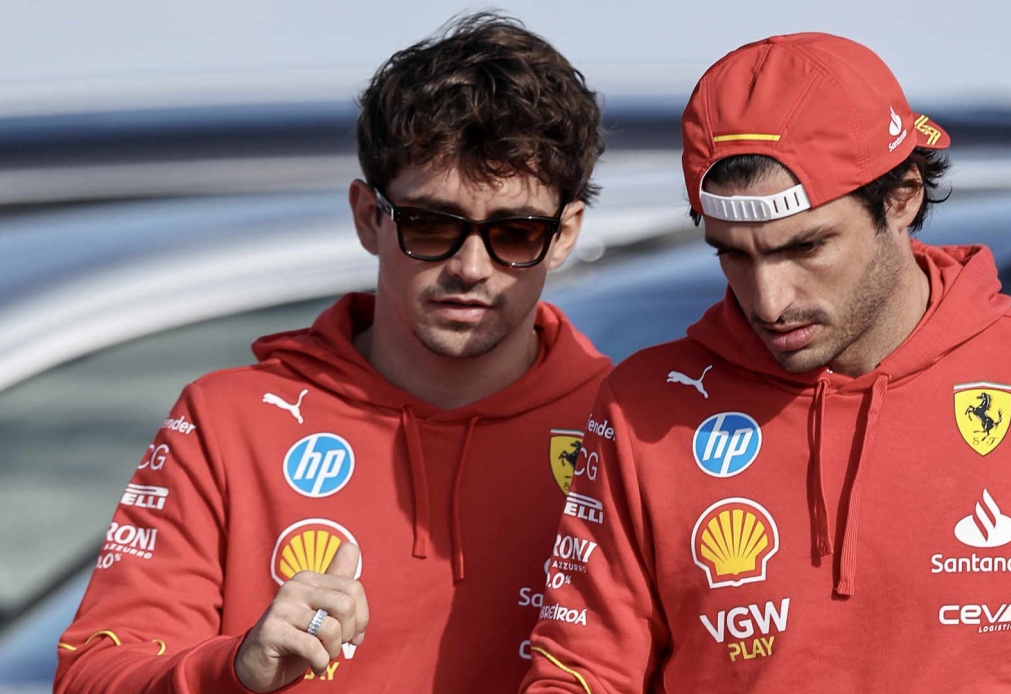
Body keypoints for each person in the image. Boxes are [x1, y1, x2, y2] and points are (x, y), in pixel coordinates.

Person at [522, 32, 1011, 693]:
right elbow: (581, 672)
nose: (769, 300)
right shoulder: (647, 405)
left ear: (903, 196)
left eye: (805, 247)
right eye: (733, 254)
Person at [55, 12, 610, 693]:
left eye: (515, 232)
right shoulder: (229, 422)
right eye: (429, 225)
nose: (470, 266)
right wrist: (235, 668)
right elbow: (91, 674)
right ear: (368, 217)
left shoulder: (628, 430)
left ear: (564, 234)